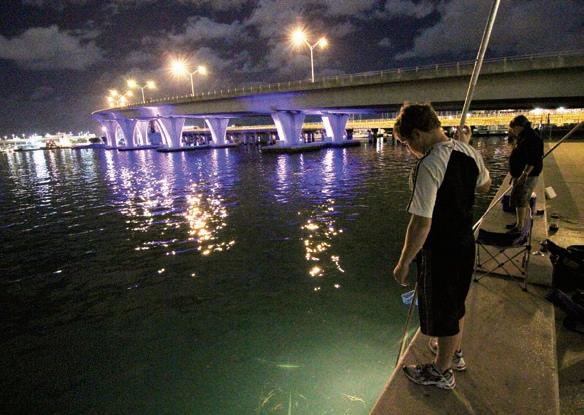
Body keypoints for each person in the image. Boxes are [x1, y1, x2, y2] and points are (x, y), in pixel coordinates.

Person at [392, 104, 491, 390]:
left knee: (443, 309)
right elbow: (484, 186)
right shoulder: (468, 152)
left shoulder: (429, 164)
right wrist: (464, 146)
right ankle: (454, 353)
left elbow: (421, 223)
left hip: (440, 248)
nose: (409, 149)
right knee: (455, 303)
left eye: (406, 143)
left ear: (417, 134)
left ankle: (441, 371)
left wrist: (404, 262)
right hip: (465, 242)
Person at [506, 115, 544, 233]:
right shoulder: (523, 136)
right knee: (520, 199)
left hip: (527, 175)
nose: (513, 131)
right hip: (519, 174)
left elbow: (534, 159)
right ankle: (521, 222)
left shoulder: (532, 138)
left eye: (513, 128)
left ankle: (520, 226)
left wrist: (524, 174)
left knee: (521, 199)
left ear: (519, 126)